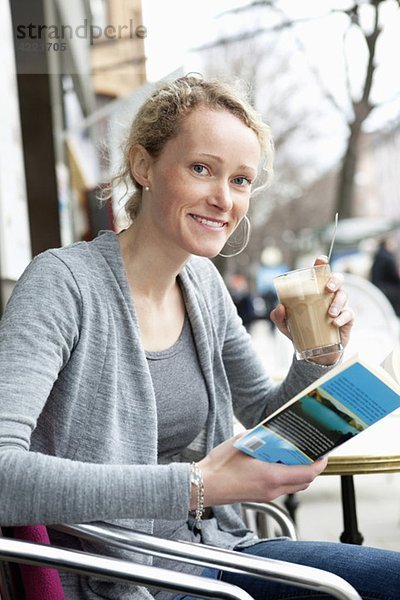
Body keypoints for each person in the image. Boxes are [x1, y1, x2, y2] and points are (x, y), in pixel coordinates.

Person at [0, 75, 398, 600]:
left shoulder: (202, 283)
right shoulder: (62, 283)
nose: (223, 199)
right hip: (127, 579)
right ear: (144, 167)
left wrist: (314, 353)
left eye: (240, 181)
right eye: (201, 169)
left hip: (218, 552)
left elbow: (262, 410)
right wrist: (196, 485)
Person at [371, 237, 400, 316]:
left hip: (377, 285)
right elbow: (394, 276)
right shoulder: (387, 257)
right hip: (384, 288)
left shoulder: (379, 255)